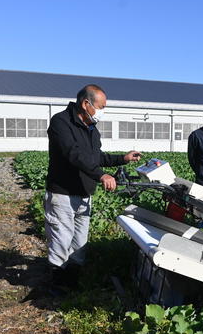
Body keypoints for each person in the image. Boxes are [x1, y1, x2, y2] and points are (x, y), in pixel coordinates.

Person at [45, 84, 140, 289]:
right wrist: (101, 175)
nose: (102, 111)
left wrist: (122, 158)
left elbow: (97, 157)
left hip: (85, 193)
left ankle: (72, 283)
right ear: (86, 103)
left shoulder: (91, 129)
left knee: (79, 243)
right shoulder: (61, 123)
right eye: (101, 106)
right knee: (61, 241)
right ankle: (56, 288)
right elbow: (73, 155)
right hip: (63, 193)